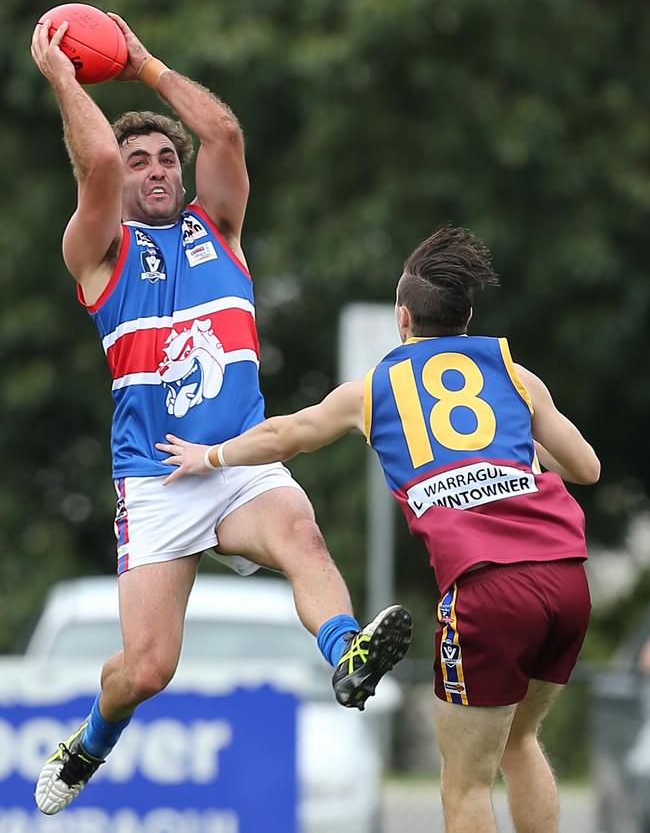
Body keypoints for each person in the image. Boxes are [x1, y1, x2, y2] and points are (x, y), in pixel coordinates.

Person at [29, 13, 412, 815]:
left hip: (238, 462)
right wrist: (66, 77)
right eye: (143, 161)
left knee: (304, 533)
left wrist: (144, 66)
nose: (158, 168)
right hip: (157, 477)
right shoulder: (97, 253)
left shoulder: (220, 230)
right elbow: (95, 157)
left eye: (168, 157)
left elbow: (226, 133)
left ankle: (347, 655)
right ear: (121, 181)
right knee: (147, 670)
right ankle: (88, 743)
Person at [159, 225, 600, 833]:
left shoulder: (373, 390)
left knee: (464, 783)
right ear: (466, 317)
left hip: (488, 585)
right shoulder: (515, 375)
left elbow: (286, 434)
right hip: (566, 577)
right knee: (520, 742)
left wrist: (208, 457)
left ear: (402, 319)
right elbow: (586, 468)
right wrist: (516, 449)